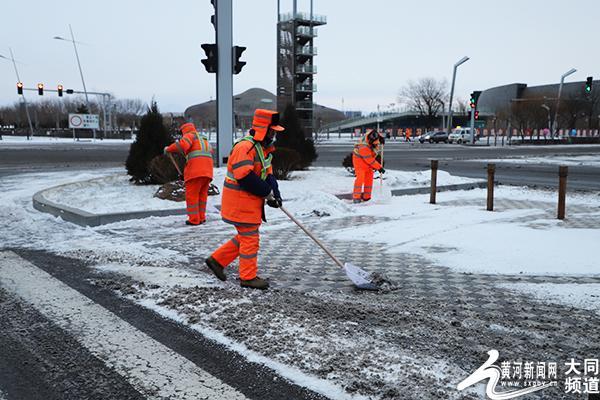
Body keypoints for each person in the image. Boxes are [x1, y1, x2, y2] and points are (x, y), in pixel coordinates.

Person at [205, 109, 284, 290]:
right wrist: (266, 192)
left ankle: (216, 260)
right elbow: (244, 176)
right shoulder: (244, 148)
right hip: (240, 203)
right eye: (272, 131)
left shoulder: (262, 150)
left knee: (245, 236)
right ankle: (247, 277)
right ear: (264, 129)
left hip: (249, 204)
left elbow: (269, 175)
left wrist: (275, 195)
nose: (274, 136)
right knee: (250, 239)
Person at [164, 122, 213, 226]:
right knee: (202, 196)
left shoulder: (189, 135)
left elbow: (183, 145)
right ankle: (202, 217)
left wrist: (168, 149)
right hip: (207, 172)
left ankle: (194, 219)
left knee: (192, 196)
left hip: (195, 171)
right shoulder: (203, 138)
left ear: (184, 131)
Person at [352, 129, 384, 203]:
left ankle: (367, 197)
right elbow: (370, 160)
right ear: (370, 141)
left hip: (367, 163)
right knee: (360, 179)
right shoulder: (363, 147)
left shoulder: (371, 134)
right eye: (375, 143)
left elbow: (377, 134)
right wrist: (379, 168)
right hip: (359, 162)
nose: (377, 144)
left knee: (369, 179)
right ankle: (356, 197)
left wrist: (381, 139)